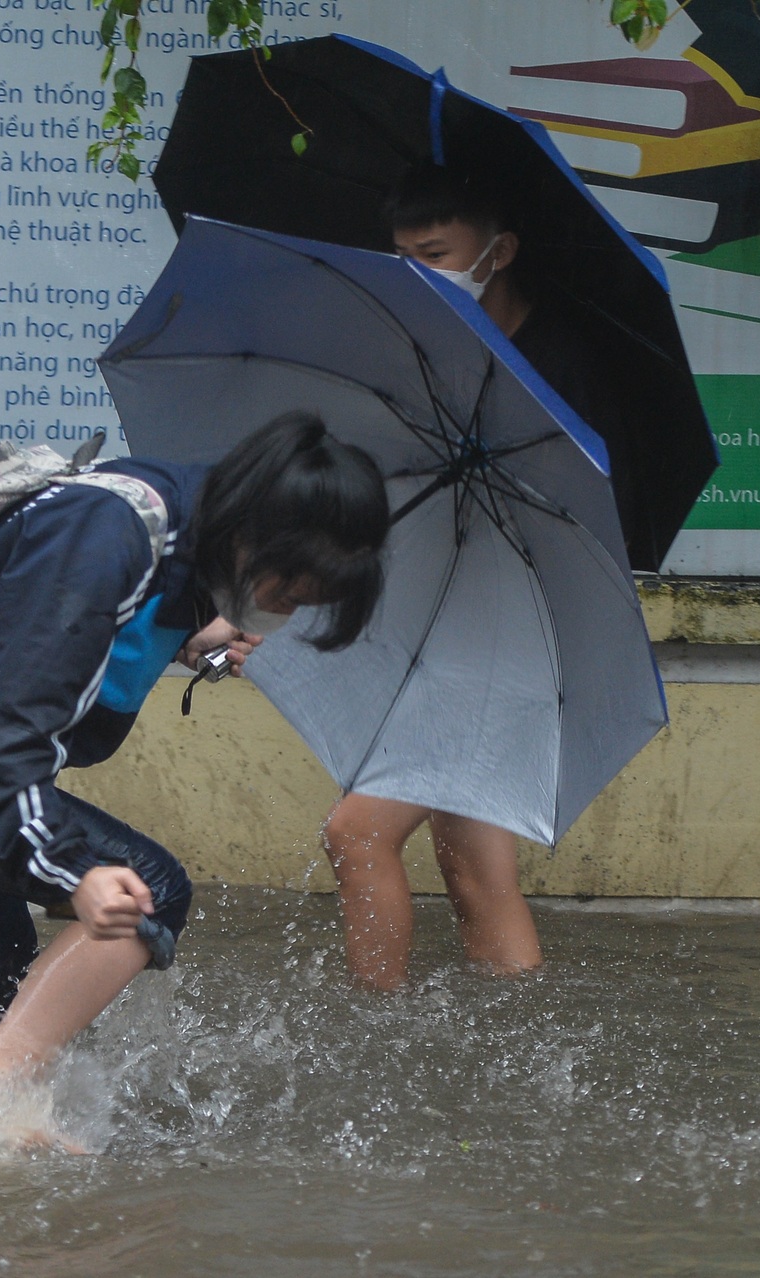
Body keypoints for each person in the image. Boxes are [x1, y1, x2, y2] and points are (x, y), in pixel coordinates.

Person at [0, 413, 388, 1090]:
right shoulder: (106, 532)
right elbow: (14, 721)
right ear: (260, 537)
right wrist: (69, 868)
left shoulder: (186, 527)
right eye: (286, 594)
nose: (284, 614)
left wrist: (189, 634)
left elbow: (54, 633)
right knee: (145, 892)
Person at [299, 163, 623, 991]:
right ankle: (514, 1039)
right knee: (475, 864)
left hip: (511, 631)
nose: (420, 273)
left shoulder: (561, 362)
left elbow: (576, 505)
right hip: (457, 621)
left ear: (499, 251)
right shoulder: (431, 350)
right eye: (404, 255)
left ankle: (377, 1029)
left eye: (436, 252)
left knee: (358, 834)